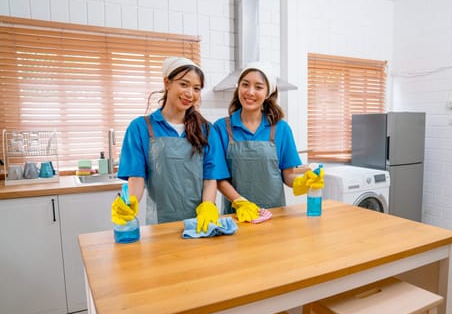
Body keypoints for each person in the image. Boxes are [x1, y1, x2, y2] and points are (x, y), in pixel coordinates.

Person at [111, 57, 229, 233]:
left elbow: (210, 179)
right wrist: (129, 205)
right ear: (167, 83)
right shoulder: (142, 127)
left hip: (200, 224)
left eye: (196, 88)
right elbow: (136, 178)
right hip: (160, 225)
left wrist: (208, 207)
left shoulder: (206, 130)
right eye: (184, 84)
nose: (190, 93)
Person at [214, 61, 324, 222]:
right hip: (237, 216)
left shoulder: (281, 128)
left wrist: (303, 182)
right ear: (238, 88)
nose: (250, 92)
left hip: (275, 215)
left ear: (268, 94)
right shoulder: (221, 127)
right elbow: (219, 179)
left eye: (258, 87)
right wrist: (240, 202)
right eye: (245, 85)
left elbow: (288, 176)